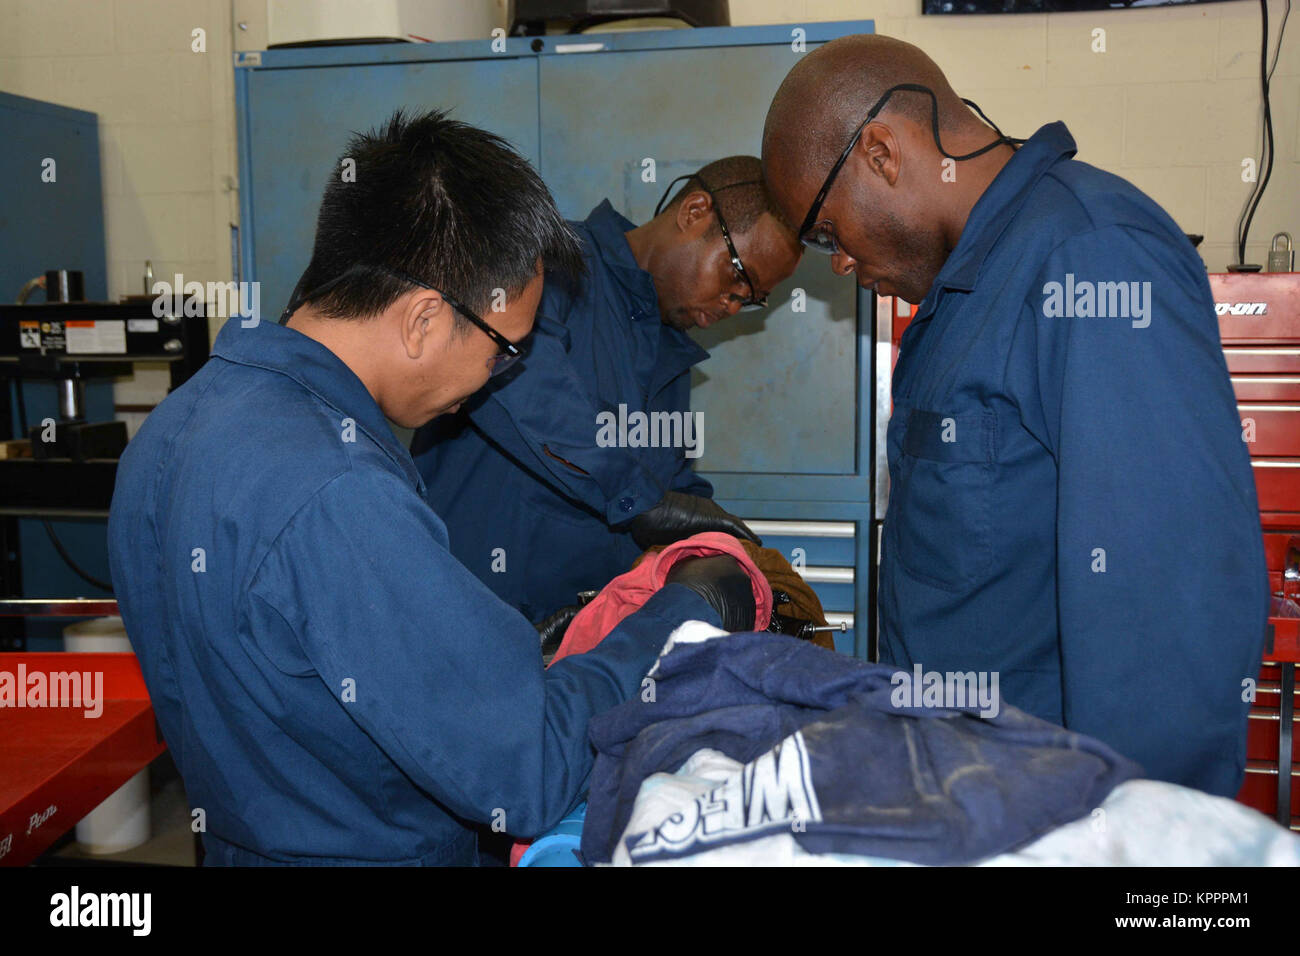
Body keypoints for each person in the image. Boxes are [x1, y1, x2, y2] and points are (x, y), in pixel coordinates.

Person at [107, 109, 756, 866]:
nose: (498, 378)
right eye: (505, 350)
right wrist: (685, 615)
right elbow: (529, 770)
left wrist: (479, 656)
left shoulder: (167, 434)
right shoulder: (339, 490)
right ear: (422, 320)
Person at [761, 34, 1268, 797]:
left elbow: (1171, 606)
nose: (838, 262)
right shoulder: (965, 294)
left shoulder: (1090, 257)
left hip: (1059, 808)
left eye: (828, 232)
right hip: (965, 790)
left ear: (882, 153)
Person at [412, 156, 802, 627]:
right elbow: (527, 387)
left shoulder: (670, 353)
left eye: (752, 299)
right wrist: (643, 499)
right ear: (695, 212)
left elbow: (667, 486)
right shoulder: (548, 262)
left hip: (588, 644)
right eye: (737, 275)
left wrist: (713, 535)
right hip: (472, 617)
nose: (734, 304)